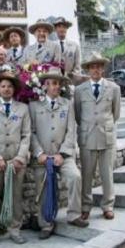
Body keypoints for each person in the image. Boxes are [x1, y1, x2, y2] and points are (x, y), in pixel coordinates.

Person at [30, 70, 85, 237]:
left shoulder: (67, 105)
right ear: (45, 85)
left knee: (75, 177)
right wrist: (39, 153)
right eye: (52, 83)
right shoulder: (34, 106)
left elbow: (71, 131)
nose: (55, 86)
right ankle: (46, 223)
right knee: (43, 184)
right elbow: (30, 132)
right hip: (43, 157)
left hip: (63, 156)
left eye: (58, 83)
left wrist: (63, 154)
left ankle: (74, 214)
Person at [0, 71, 30, 245]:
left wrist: (20, 157)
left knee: (16, 195)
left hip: (16, 160)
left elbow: (26, 135)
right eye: (3, 86)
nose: (6, 89)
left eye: (10, 86)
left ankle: (14, 228)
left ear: (14, 89)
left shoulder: (23, 108)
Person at [74, 52, 120, 221]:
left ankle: (108, 205)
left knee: (107, 173)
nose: (96, 69)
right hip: (87, 136)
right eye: (92, 67)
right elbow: (78, 115)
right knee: (87, 174)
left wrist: (104, 124)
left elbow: (116, 113)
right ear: (88, 70)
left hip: (106, 135)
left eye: (99, 66)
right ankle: (86, 206)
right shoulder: (79, 91)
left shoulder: (114, 88)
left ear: (103, 69)